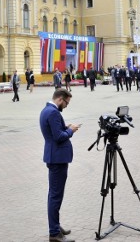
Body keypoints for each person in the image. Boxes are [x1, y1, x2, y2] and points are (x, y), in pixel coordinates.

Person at [40, 88, 79, 242]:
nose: (67, 106)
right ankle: (54, 233)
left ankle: (55, 225)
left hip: (54, 157)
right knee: (55, 196)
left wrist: (65, 127)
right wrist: (71, 131)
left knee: (54, 194)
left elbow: (54, 131)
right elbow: (58, 137)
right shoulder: (53, 113)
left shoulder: (46, 110)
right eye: (66, 103)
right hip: (57, 158)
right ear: (60, 99)